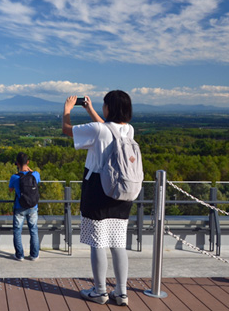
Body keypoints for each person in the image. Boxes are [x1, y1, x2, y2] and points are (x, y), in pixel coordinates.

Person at [63, 91, 134, 306]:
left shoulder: (97, 130)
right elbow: (108, 128)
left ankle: (100, 291)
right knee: (118, 243)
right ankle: (121, 293)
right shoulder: (129, 130)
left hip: (98, 189)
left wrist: (67, 109)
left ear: (108, 108)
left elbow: (67, 131)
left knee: (98, 243)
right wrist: (90, 109)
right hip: (122, 191)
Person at [8, 152, 41, 261]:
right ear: (28, 162)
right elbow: (37, 181)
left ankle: (19, 255)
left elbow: (10, 189)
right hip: (33, 207)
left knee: (17, 231)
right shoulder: (35, 174)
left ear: (17, 163)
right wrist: (30, 170)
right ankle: (34, 255)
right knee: (34, 230)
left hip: (19, 207)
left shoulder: (14, 177)